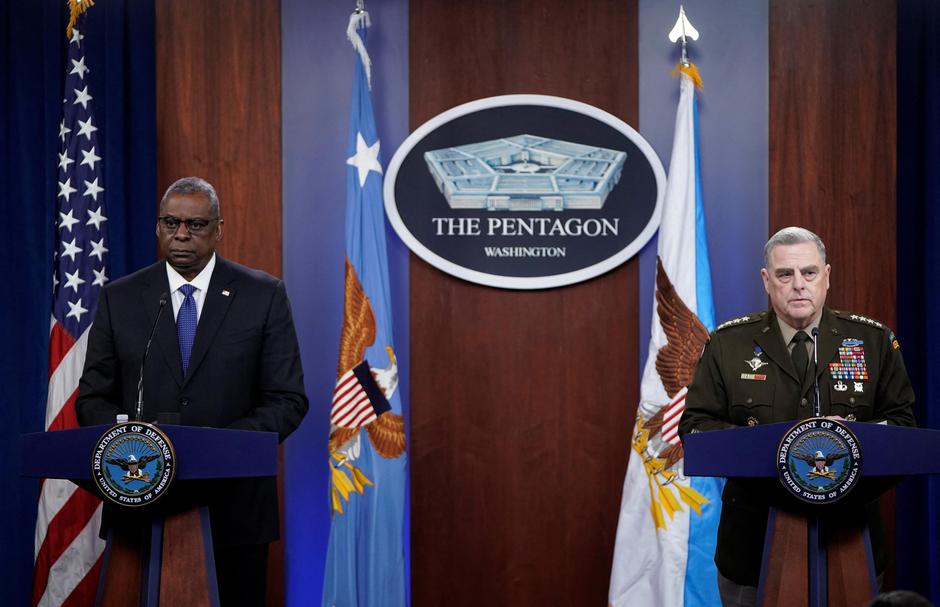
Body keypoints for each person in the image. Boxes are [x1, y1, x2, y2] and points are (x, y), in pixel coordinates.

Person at [76, 176, 309, 605]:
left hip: (234, 512)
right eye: (171, 222)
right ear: (158, 226)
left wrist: (218, 448)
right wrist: (134, 450)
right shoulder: (120, 297)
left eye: (196, 225)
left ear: (219, 229)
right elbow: (93, 398)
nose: (181, 235)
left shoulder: (263, 295)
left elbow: (288, 399)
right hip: (139, 502)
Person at [679, 226, 916, 607]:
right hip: (753, 545)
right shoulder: (729, 344)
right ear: (766, 280)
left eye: (808, 272)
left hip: (850, 537)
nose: (798, 285)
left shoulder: (872, 341)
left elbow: (904, 429)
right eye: (785, 275)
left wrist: (847, 447)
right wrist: (781, 450)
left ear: (826, 276)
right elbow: (695, 429)